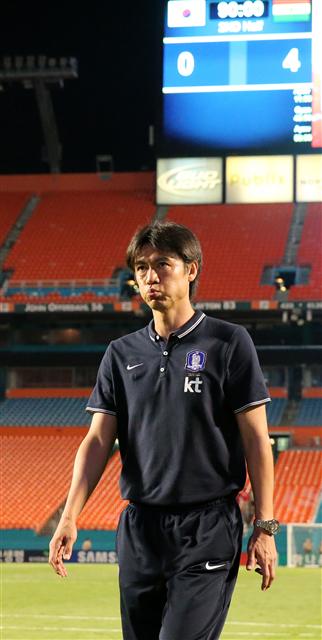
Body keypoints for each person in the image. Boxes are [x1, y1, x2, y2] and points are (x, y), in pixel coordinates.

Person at [49, 221, 278, 640]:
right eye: (140, 267)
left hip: (206, 528)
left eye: (162, 264)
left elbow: (256, 440)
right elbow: (98, 440)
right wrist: (69, 515)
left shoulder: (228, 343)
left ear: (191, 270)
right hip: (140, 529)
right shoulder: (120, 354)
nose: (150, 277)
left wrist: (265, 526)